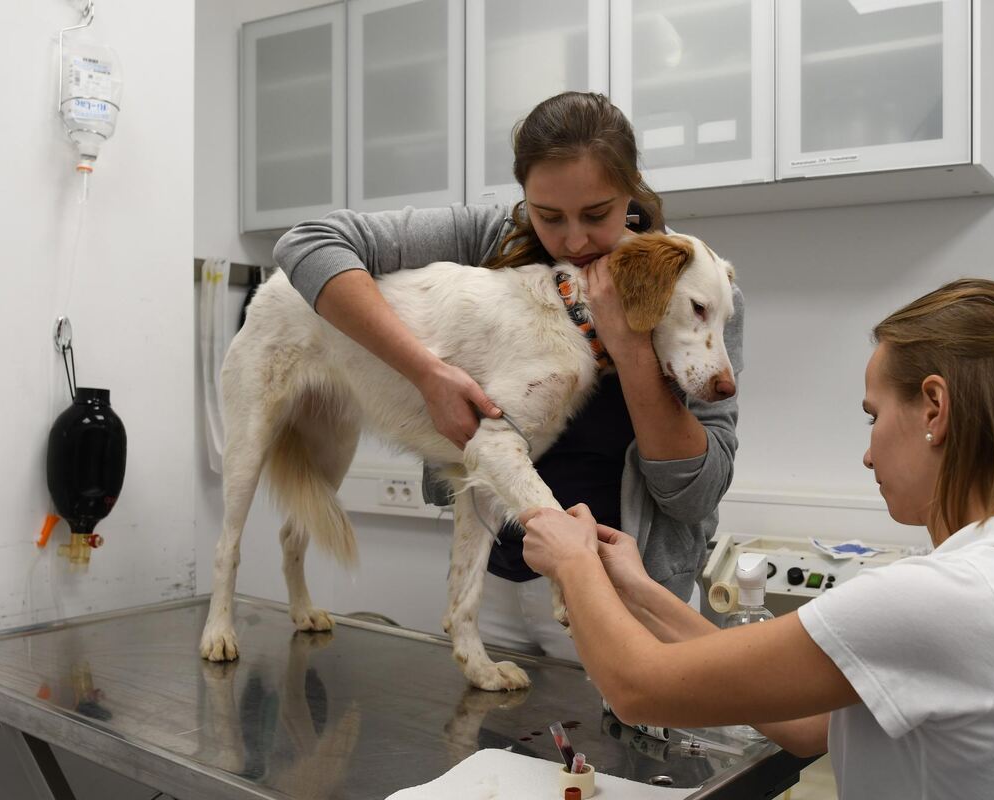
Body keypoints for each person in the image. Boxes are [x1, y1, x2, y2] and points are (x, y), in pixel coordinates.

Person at [520, 278, 994, 799]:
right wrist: (641, 590)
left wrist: (574, 566)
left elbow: (638, 688)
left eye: (874, 415)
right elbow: (808, 723)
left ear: (934, 409)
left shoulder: (952, 597)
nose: (867, 453)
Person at [272, 91, 744, 660]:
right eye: (548, 216)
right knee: (493, 739)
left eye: (597, 214)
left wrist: (631, 351)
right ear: (523, 198)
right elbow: (306, 245)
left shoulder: (701, 295)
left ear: (631, 190)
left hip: (623, 596)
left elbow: (693, 497)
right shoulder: (489, 239)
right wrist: (427, 373)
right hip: (497, 582)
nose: (573, 240)